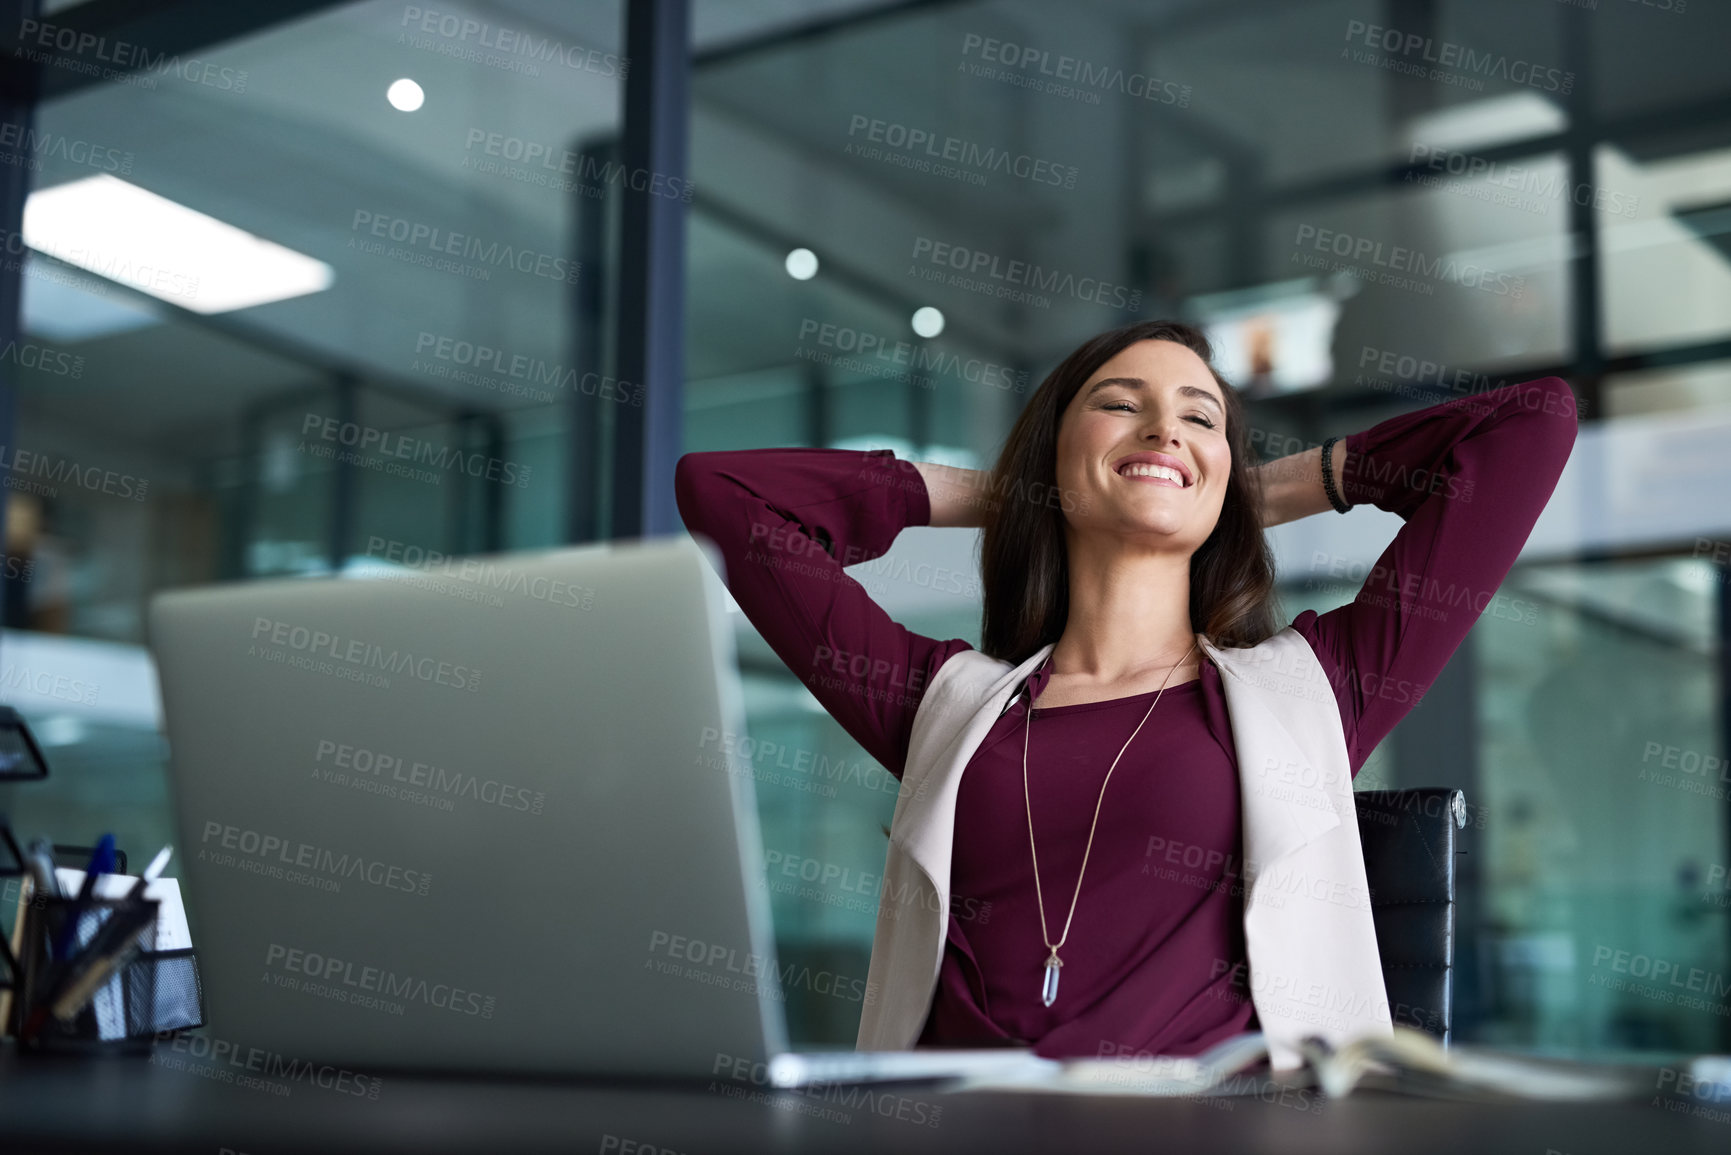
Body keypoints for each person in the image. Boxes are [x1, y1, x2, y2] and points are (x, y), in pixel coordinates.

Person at [673, 319, 1578, 1062]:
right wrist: (1020, 492)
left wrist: (1274, 486)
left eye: (1200, 418)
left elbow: (1532, 422)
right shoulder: (943, 704)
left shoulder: (1313, 689)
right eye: (1119, 405)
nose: (1165, 430)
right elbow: (722, 493)